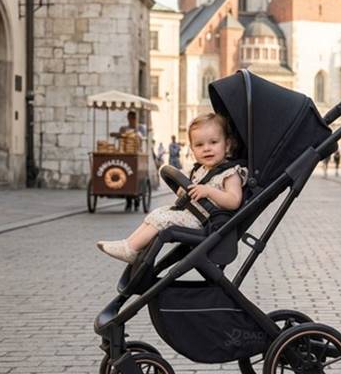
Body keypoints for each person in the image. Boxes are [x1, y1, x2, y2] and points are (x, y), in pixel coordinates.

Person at [97, 113, 246, 263]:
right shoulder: (201, 170)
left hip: (207, 223)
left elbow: (234, 201)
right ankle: (130, 246)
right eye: (199, 145)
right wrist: (185, 191)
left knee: (163, 219)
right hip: (192, 215)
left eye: (213, 142)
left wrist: (208, 191)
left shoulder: (230, 173)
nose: (206, 149)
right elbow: (194, 190)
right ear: (192, 149)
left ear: (227, 145)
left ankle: (130, 248)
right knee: (158, 213)